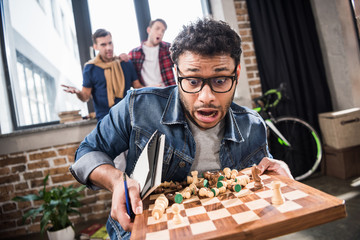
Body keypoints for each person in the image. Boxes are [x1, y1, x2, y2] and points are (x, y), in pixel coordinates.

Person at [69, 19, 293, 240]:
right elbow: (86, 152)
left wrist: (275, 172)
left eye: (221, 80)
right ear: (177, 73)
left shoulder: (253, 125)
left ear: (237, 73)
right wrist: (117, 180)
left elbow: (260, 178)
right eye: (193, 81)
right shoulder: (137, 107)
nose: (207, 98)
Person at [62, 29, 144, 120]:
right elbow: (85, 96)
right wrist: (78, 92)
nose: (108, 48)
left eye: (110, 43)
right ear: (95, 47)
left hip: (128, 116)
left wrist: (153, 88)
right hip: (105, 120)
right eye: (103, 45)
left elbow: (137, 86)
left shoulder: (125, 63)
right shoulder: (90, 68)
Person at [128, 18, 176, 87]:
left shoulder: (168, 48)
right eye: (157, 28)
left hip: (168, 92)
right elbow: (132, 79)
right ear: (149, 30)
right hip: (147, 93)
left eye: (163, 31)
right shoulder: (134, 53)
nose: (160, 33)